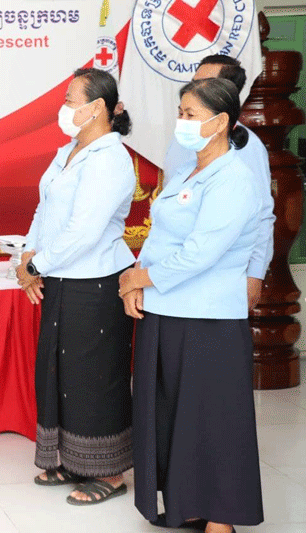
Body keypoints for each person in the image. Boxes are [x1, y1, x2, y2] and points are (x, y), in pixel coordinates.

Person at [120, 78, 265, 533]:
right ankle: (190, 505)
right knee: (173, 417)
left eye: (190, 114)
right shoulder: (187, 171)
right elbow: (159, 236)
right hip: (167, 310)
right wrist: (136, 281)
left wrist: (138, 278)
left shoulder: (234, 178)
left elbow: (202, 253)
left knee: (214, 420)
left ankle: (222, 519)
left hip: (209, 319)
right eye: (180, 112)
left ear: (220, 122)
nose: (180, 121)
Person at [18, 68, 135, 505]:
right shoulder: (68, 151)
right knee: (61, 373)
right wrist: (26, 257)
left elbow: (85, 231)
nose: (63, 108)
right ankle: (73, 460)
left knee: (94, 376)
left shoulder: (110, 158)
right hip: (61, 278)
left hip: (96, 283)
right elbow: (44, 209)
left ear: (97, 108)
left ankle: (110, 473)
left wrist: (38, 265)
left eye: (70, 100)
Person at [164, 54, 275, 310]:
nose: (195, 89)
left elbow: (262, 216)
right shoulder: (181, 139)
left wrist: (255, 275)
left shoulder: (247, 147)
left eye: (205, 83)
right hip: (172, 273)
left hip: (220, 277)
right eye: (194, 82)